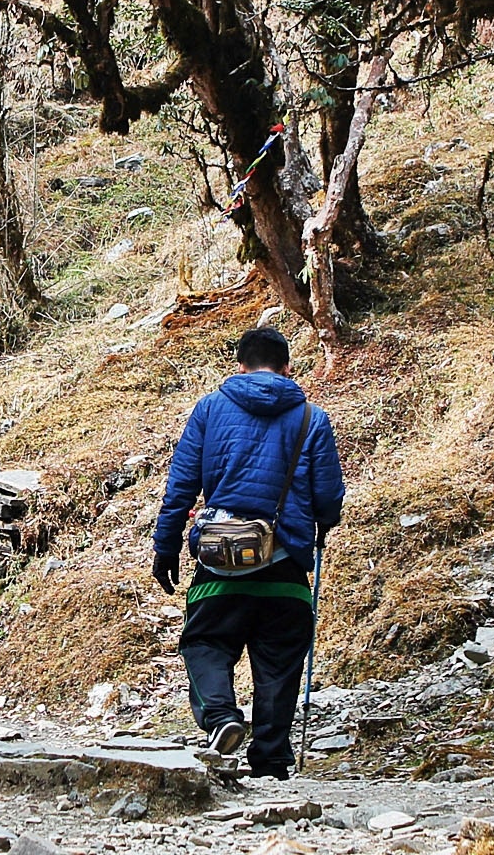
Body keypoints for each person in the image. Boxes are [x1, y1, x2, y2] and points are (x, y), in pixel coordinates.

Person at [151, 326, 345, 778]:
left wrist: (166, 547)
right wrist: (320, 526)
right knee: (279, 658)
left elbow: (180, 487)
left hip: (220, 565)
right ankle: (273, 759)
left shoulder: (210, 409)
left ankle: (221, 718)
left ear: (239, 367)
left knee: (204, 643)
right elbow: (328, 498)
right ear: (287, 368)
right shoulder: (310, 418)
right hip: (286, 566)